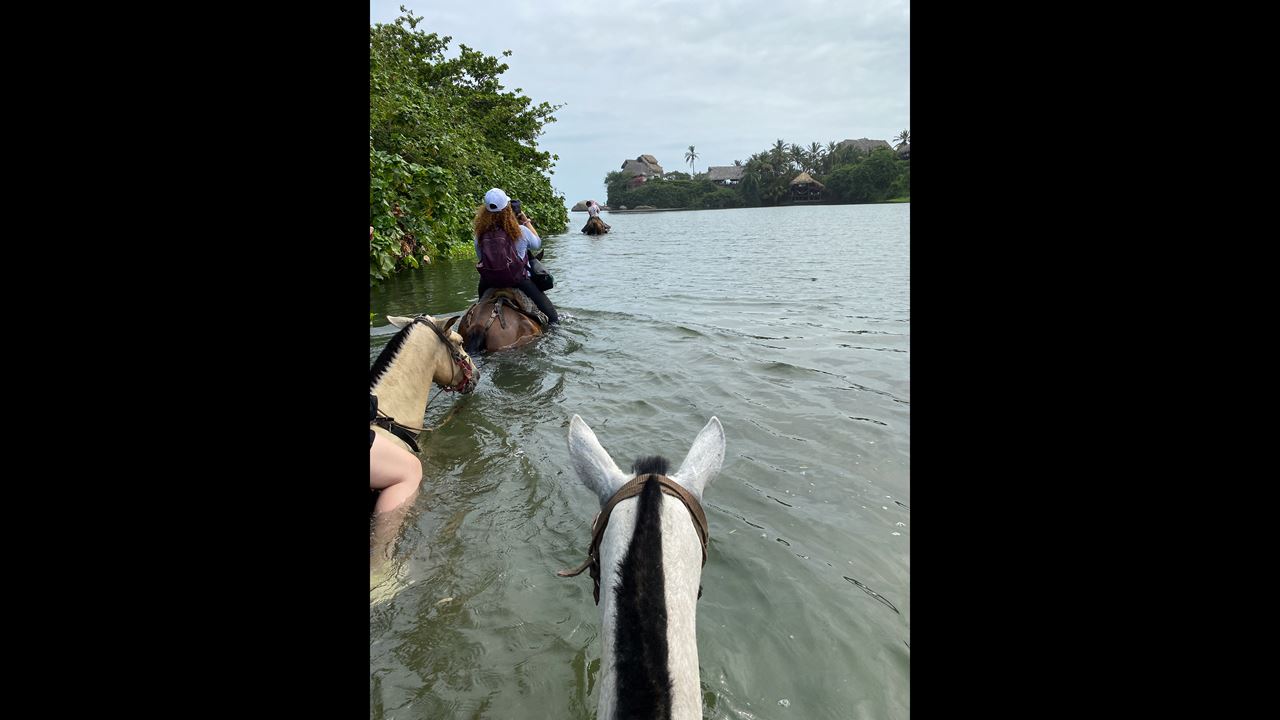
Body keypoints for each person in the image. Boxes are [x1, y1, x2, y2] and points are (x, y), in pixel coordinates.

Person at [474, 187, 558, 323]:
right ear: (507, 209)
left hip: (489, 282)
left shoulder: (479, 235)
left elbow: (481, 258)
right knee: (553, 318)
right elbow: (537, 244)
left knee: (477, 312)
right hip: (519, 281)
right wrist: (526, 221)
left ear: (485, 211)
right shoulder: (521, 231)